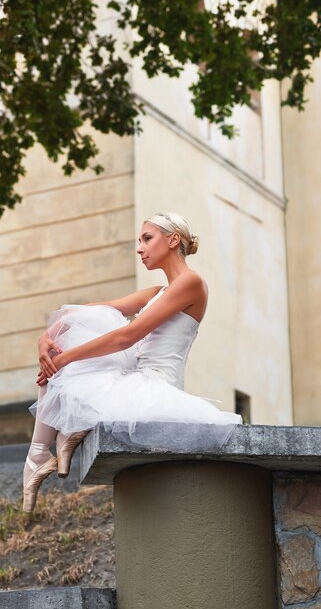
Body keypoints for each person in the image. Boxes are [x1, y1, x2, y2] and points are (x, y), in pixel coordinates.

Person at [23, 211, 242, 513]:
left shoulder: (191, 283)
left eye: (147, 239)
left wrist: (64, 359)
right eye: (139, 241)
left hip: (154, 387)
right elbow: (96, 309)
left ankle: (44, 451)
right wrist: (47, 335)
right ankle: (47, 449)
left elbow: (128, 336)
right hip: (133, 378)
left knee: (67, 359)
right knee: (81, 328)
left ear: (173, 239)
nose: (140, 248)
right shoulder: (157, 293)